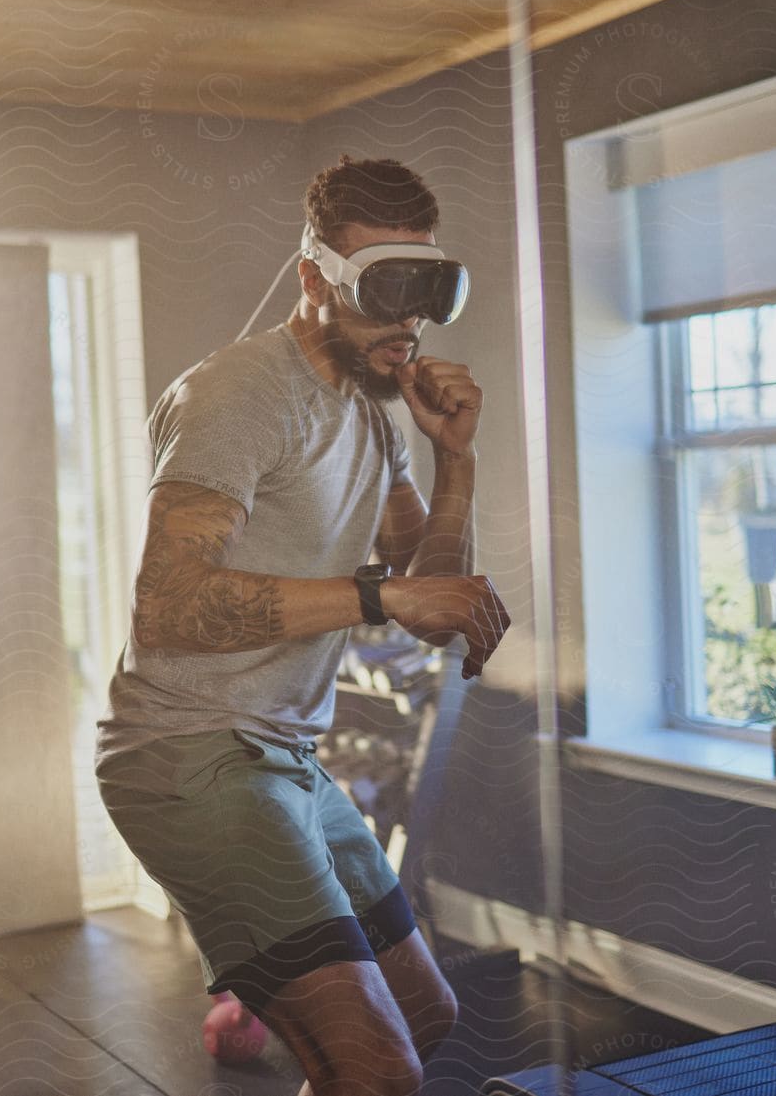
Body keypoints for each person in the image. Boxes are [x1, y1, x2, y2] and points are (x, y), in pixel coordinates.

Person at [95, 156, 510, 1096]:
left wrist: (456, 461)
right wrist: (375, 600)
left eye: (424, 298)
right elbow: (170, 603)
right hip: (187, 753)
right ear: (314, 275)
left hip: (285, 757)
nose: (406, 324)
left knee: (424, 1019)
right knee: (376, 1069)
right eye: (382, 294)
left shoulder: (372, 413)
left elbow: (431, 592)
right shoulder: (239, 394)